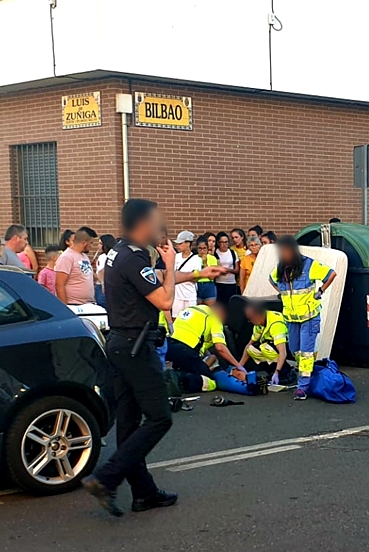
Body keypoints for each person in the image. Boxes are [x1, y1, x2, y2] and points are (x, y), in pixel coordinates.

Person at [81, 198, 221, 517]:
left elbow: (149, 283)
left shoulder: (119, 252)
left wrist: (197, 275)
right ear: (142, 224)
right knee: (160, 417)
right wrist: (172, 266)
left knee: (129, 425)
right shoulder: (134, 257)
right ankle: (106, 478)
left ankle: (143, 492)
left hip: (120, 343)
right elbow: (162, 299)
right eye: (156, 221)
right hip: (135, 346)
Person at [271, 235, 336, 401]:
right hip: (292, 318)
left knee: (306, 353)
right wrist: (282, 294)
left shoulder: (309, 264)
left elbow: (331, 274)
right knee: (295, 350)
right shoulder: (281, 268)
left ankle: (303, 387)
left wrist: (320, 292)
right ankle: (308, 374)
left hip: (309, 317)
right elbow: (271, 279)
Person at [166, 303, 245, 384]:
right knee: (210, 380)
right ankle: (179, 378)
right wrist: (238, 365)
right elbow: (220, 347)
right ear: (220, 313)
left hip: (168, 345)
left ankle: (175, 376)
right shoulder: (214, 318)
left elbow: (197, 339)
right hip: (186, 351)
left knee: (190, 367)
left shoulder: (193, 309)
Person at [240, 300, 293, 386]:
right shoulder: (258, 324)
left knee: (265, 348)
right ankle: (271, 372)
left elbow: (283, 352)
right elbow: (249, 345)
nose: (250, 321)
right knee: (251, 349)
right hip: (273, 346)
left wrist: (277, 372)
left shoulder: (276, 324)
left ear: (257, 315)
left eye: (250, 318)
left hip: (287, 347)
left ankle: (285, 372)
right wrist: (239, 367)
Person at [55, 227, 96, 305]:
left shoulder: (84, 256)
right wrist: (66, 308)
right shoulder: (66, 257)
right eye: (91, 243)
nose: (92, 246)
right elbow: (59, 284)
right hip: (74, 304)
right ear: (84, 243)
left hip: (88, 304)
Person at [171, 231, 203, 317]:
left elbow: (195, 278)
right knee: (176, 319)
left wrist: (179, 275)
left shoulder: (196, 259)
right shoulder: (176, 257)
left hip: (190, 295)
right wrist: (188, 275)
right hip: (177, 295)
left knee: (190, 319)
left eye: (180, 243)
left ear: (188, 244)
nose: (177, 246)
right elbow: (172, 274)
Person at [213, 232, 240, 304]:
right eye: (221, 242)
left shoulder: (233, 253)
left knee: (230, 304)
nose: (224, 244)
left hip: (231, 283)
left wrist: (228, 270)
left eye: (226, 242)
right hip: (219, 283)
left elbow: (237, 270)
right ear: (218, 243)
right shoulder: (215, 253)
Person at [194, 239, 218, 306]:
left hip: (209, 285)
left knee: (210, 309)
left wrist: (205, 263)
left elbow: (212, 276)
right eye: (200, 248)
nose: (202, 251)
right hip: (197, 285)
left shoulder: (212, 258)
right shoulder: (193, 259)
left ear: (207, 248)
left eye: (204, 248)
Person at [95, 234, 116, 306]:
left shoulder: (103, 257)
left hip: (102, 286)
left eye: (101, 243)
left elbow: (101, 273)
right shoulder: (114, 256)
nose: (98, 246)